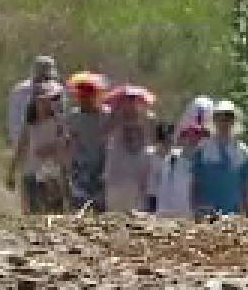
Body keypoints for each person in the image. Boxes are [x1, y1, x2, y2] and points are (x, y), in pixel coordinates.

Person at [6, 79, 72, 214]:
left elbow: (67, 142)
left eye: (50, 100)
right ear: (36, 101)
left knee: (55, 212)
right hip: (31, 174)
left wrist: (53, 147)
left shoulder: (58, 122)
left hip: (52, 174)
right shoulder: (30, 125)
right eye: (43, 100)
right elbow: (21, 148)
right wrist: (11, 173)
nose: (47, 103)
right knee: (33, 212)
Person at [193, 98, 248, 218]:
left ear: (234, 121)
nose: (224, 122)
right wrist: (195, 211)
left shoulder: (244, 152)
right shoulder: (202, 150)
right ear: (214, 120)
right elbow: (195, 184)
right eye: (220, 117)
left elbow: (246, 188)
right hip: (206, 214)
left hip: (232, 215)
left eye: (228, 118)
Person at [102, 84, 158, 214]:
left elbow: (154, 139)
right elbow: (104, 133)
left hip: (139, 174)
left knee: (138, 213)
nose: (130, 103)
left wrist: (139, 123)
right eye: (127, 100)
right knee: (115, 212)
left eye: (133, 99)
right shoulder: (113, 116)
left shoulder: (148, 117)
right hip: (117, 173)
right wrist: (118, 119)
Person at [151, 97, 210, 219]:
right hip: (173, 223)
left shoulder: (210, 163)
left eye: (200, 134)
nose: (195, 138)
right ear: (185, 134)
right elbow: (163, 196)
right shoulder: (172, 160)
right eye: (192, 133)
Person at [65, 71, 111, 212]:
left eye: (88, 95)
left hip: (103, 165)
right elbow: (70, 138)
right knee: (80, 204)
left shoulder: (107, 115)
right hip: (81, 166)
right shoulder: (73, 116)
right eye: (81, 96)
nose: (84, 99)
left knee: (101, 206)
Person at [6, 55, 59, 155]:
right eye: (40, 77)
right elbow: (14, 121)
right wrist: (22, 145)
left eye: (47, 78)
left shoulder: (58, 92)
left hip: (50, 150)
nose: (44, 80)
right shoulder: (20, 91)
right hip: (25, 148)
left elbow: (61, 121)